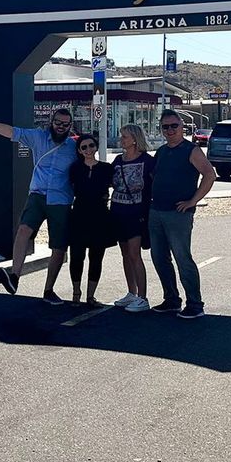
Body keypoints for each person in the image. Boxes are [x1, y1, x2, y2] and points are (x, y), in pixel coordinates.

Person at [0, 106, 77, 305]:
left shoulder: (73, 147)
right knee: (23, 230)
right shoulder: (38, 137)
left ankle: (49, 290)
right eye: (58, 122)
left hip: (60, 200)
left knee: (59, 247)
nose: (60, 127)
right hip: (37, 195)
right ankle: (14, 276)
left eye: (65, 124)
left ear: (70, 126)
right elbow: (12, 131)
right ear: (51, 121)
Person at [148, 110, 217, 317]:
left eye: (174, 126)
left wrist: (193, 201)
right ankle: (171, 299)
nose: (170, 130)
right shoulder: (161, 151)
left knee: (182, 258)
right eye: (165, 127)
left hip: (178, 214)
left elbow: (209, 175)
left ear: (182, 127)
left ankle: (195, 304)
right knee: (159, 258)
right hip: (156, 211)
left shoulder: (192, 150)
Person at [109, 124, 156, 313]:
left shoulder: (148, 161)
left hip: (137, 213)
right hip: (118, 210)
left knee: (135, 253)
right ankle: (131, 291)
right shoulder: (119, 160)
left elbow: (155, 183)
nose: (122, 139)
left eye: (125, 137)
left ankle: (143, 297)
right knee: (125, 254)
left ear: (135, 139)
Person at [67, 134, 115, 305]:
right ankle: (76, 294)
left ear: (96, 146)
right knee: (76, 256)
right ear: (79, 150)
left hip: (100, 216)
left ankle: (90, 296)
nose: (88, 150)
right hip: (79, 215)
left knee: (96, 257)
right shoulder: (74, 168)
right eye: (84, 147)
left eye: (91, 146)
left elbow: (114, 186)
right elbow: (71, 189)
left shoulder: (106, 168)